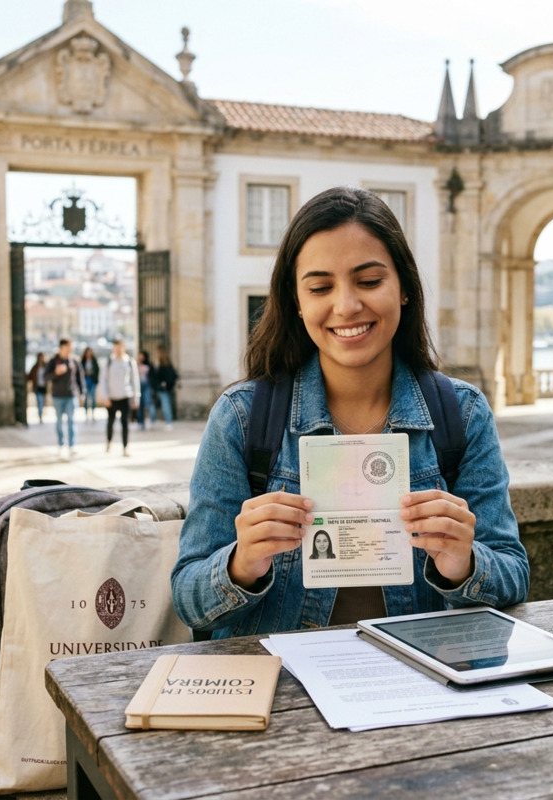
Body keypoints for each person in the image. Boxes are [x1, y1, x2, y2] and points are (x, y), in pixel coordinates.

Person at [172, 186, 529, 639]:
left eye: (369, 280)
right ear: (297, 303)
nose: (346, 306)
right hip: (284, 688)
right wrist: (241, 565)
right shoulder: (242, 419)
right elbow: (187, 598)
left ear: (403, 289)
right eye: (321, 287)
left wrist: (465, 563)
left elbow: (514, 574)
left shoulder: (462, 414)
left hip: (422, 683)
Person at [97, 338, 140, 456]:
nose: (119, 350)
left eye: (121, 347)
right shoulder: (108, 362)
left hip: (125, 395)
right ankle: (109, 441)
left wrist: (136, 397)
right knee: (110, 422)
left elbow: (134, 381)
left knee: (125, 423)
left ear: (124, 348)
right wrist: (104, 396)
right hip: (112, 397)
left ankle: (125, 447)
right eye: (116, 347)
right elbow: (103, 380)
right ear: (114, 348)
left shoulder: (130, 362)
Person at [45, 338, 85, 458]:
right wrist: (56, 373)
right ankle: (61, 444)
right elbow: (46, 377)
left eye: (71, 347)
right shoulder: (53, 361)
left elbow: (80, 378)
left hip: (71, 395)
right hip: (57, 396)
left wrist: (82, 393)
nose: (70, 350)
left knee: (72, 421)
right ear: (61, 347)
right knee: (59, 422)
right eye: (68, 347)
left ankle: (72, 445)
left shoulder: (75, 361)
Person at [151, 345, 178, 426]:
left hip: (163, 388)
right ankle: (152, 421)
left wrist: (165, 383)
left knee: (165, 405)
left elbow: (170, 375)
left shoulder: (166, 363)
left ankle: (168, 421)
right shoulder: (156, 363)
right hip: (156, 388)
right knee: (153, 405)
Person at [26, 353, 48, 424]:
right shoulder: (35, 367)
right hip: (37, 387)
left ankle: (41, 414)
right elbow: (30, 376)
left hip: (44, 387)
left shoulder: (46, 367)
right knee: (40, 401)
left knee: (43, 402)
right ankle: (40, 415)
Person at [81, 346, 100, 422]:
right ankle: (86, 414)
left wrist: (92, 373)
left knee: (93, 398)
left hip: (92, 381)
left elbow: (97, 370)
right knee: (85, 399)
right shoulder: (83, 361)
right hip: (85, 381)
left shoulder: (94, 361)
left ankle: (93, 414)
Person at [136, 350, 153, 429]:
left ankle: (149, 419)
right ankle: (140, 422)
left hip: (147, 385)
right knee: (140, 404)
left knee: (147, 403)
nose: (140, 357)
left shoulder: (149, 365)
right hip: (139, 386)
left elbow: (153, 376)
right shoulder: (136, 364)